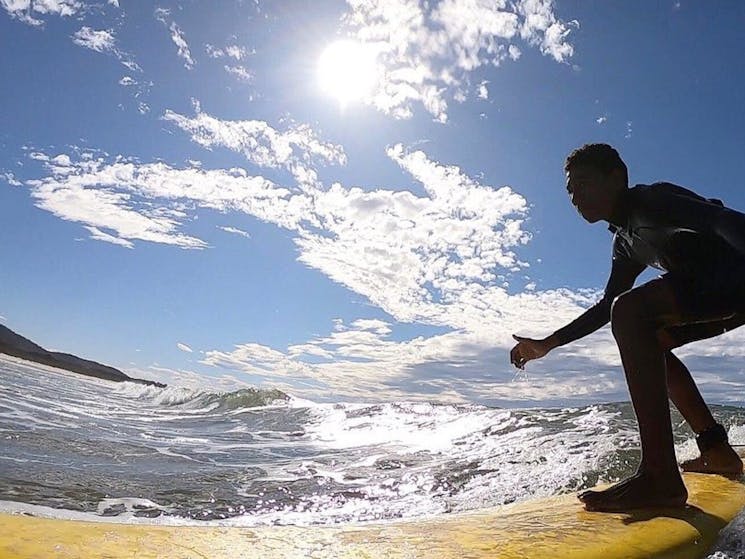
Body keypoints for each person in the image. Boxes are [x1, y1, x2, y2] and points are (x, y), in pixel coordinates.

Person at [510, 143, 744, 512]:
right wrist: (548, 344)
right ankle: (716, 450)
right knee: (647, 337)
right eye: (570, 190)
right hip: (717, 296)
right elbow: (608, 307)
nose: (575, 196)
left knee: (632, 312)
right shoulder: (625, 243)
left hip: (735, 279)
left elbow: (722, 220)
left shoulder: (653, 200)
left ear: (616, 177)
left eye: (583, 183)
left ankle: (660, 478)